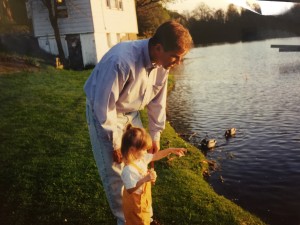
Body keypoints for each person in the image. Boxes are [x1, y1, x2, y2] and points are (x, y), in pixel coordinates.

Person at [84, 20, 193, 225]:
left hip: (131, 112)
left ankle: (143, 217)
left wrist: (156, 134)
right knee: (118, 174)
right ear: (158, 48)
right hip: (106, 112)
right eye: (175, 57)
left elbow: (157, 102)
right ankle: (125, 220)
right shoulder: (121, 60)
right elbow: (103, 107)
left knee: (139, 165)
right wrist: (116, 143)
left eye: (181, 58)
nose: (178, 63)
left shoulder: (162, 63)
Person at [120, 124, 186, 225]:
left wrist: (170, 150)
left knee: (146, 211)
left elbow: (156, 155)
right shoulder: (128, 170)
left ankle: (149, 220)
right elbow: (130, 189)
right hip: (135, 203)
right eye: (144, 149)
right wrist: (144, 179)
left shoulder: (141, 159)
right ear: (132, 150)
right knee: (138, 220)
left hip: (143, 197)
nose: (146, 152)